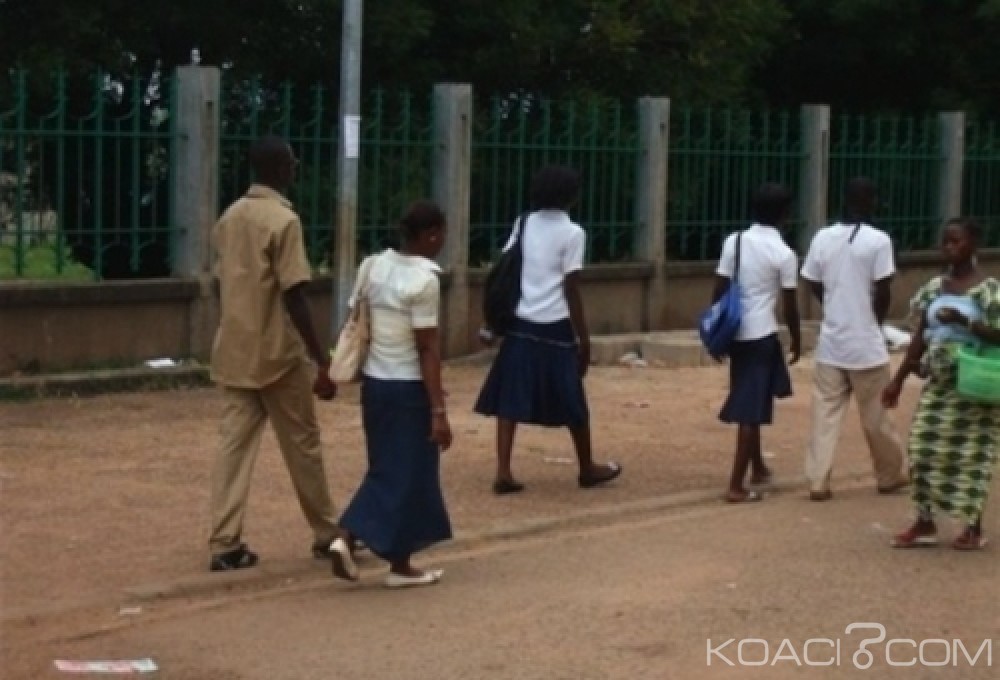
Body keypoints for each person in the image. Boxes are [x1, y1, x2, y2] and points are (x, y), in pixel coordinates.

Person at [208, 135, 356, 579]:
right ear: (278, 169)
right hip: (276, 350)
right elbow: (295, 293)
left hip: (234, 347)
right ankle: (326, 531)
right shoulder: (283, 221)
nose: (296, 168)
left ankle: (224, 542)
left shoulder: (230, 216)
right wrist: (321, 358)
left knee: (233, 447)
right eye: (292, 162)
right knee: (302, 443)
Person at [474, 165, 622, 494]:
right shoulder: (573, 233)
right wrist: (584, 339)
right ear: (571, 196)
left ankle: (503, 470)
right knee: (573, 399)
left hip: (519, 322)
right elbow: (572, 288)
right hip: (555, 325)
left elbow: (505, 272)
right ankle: (586, 467)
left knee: (510, 399)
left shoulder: (524, 223)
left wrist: (491, 321)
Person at [338, 200, 454, 588]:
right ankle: (348, 534)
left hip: (375, 383)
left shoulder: (372, 266)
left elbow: (355, 315)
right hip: (408, 386)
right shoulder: (425, 280)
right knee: (409, 473)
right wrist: (438, 409)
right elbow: (427, 348)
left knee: (389, 466)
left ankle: (400, 562)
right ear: (431, 234)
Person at [883, 217, 1000, 550]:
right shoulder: (934, 289)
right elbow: (919, 339)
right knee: (921, 448)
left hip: (976, 387)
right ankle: (924, 522)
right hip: (939, 385)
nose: (949, 247)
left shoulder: (988, 290)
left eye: (957, 241)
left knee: (973, 456)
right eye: (946, 241)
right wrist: (898, 379)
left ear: (974, 245)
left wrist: (967, 322)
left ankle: (972, 527)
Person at [800, 177, 908, 501]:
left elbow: (812, 281)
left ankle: (817, 481)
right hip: (866, 346)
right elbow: (883, 290)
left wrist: (833, 304)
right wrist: (873, 322)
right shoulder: (879, 241)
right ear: (871, 202)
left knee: (825, 416)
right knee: (876, 418)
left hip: (832, 342)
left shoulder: (822, 237)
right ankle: (890, 475)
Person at [712, 183, 801, 503]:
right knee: (751, 410)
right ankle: (735, 486)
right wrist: (797, 338)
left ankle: (759, 466)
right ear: (785, 215)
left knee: (750, 398)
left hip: (736, 333)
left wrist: (717, 333)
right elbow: (789, 305)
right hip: (762, 334)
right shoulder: (784, 254)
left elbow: (720, 289)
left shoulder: (734, 241)